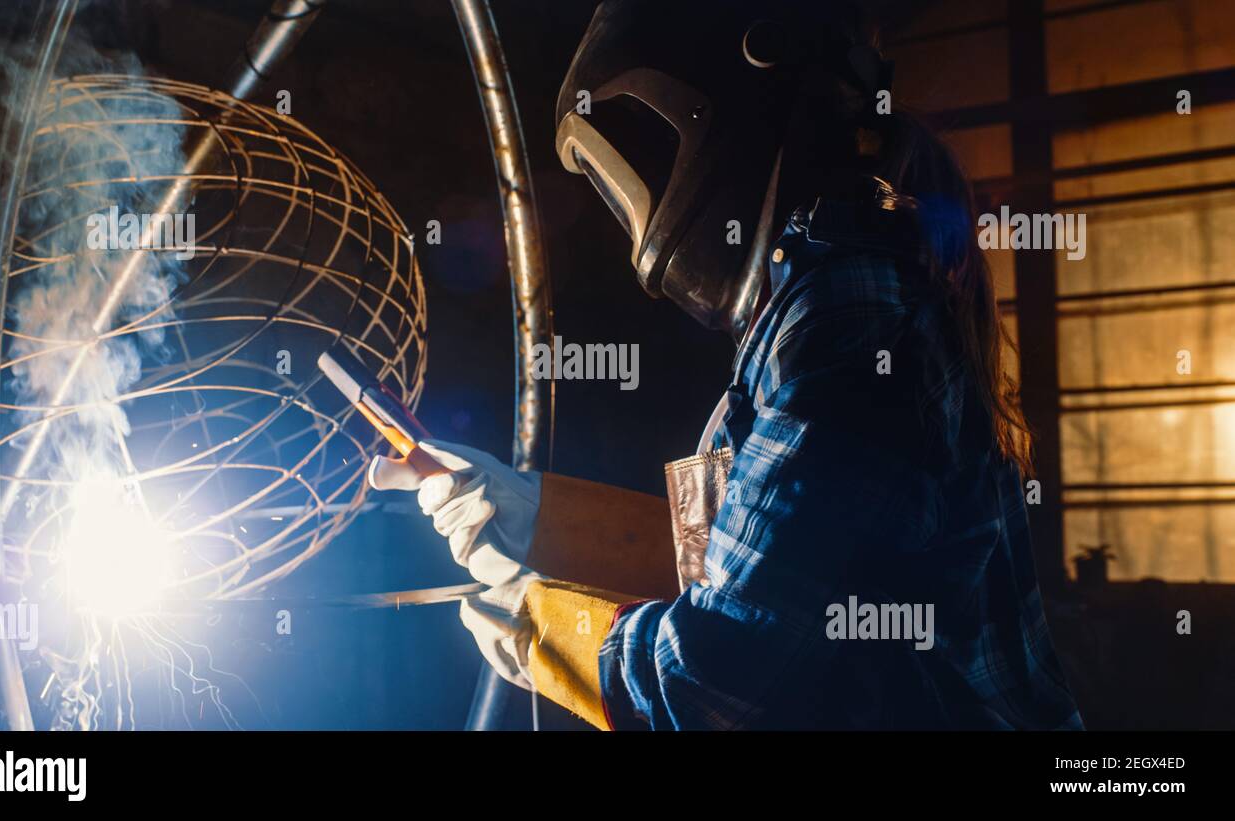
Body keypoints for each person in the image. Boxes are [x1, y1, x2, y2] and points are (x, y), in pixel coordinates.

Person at [370, 0, 1083, 730]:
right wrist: (529, 513)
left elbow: (712, 676)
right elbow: (748, 564)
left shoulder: (847, 313)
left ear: (731, 95)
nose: (640, 220)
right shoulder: (817, 295)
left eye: (643, 151)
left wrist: (544, 626)